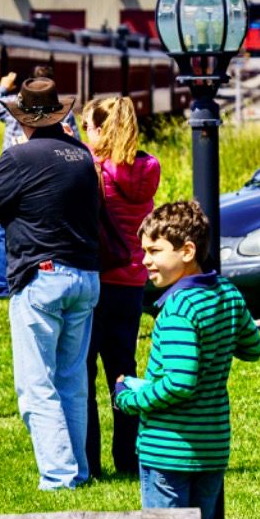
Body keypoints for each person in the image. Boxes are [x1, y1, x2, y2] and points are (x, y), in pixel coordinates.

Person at [112, 200, 260, 519]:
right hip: (210, 450)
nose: (145, 261)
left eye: (155, 251)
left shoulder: (178, 309)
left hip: (168, 451)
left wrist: (129, 397)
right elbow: (252, 347)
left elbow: (179, 383)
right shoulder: (227, 293)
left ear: (188, 251)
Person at [0, 76, 102, 490]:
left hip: (41, 275)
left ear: (23, 118)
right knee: (72, 380)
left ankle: (59, 476)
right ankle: (78, 468)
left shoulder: (19, 157)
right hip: (85, 274)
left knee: (36, 385)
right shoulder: (80, 154)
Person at [81, 96, 161, 476]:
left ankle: (90, 461)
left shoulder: (94, 168)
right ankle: (128, 458)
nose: (85, 135)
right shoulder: (148, 167)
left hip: (99, 277)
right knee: (123, 371)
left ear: (101, 129)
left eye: (87, 128)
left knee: (84, 371)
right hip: (132, 279)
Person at [0, 66, 73, 299]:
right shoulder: (62, 111)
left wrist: (3, 86)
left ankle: (0, 283)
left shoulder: (12, 103)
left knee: (5, 229)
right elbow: (73, 143)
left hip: (11, 174)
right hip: (45, 174)